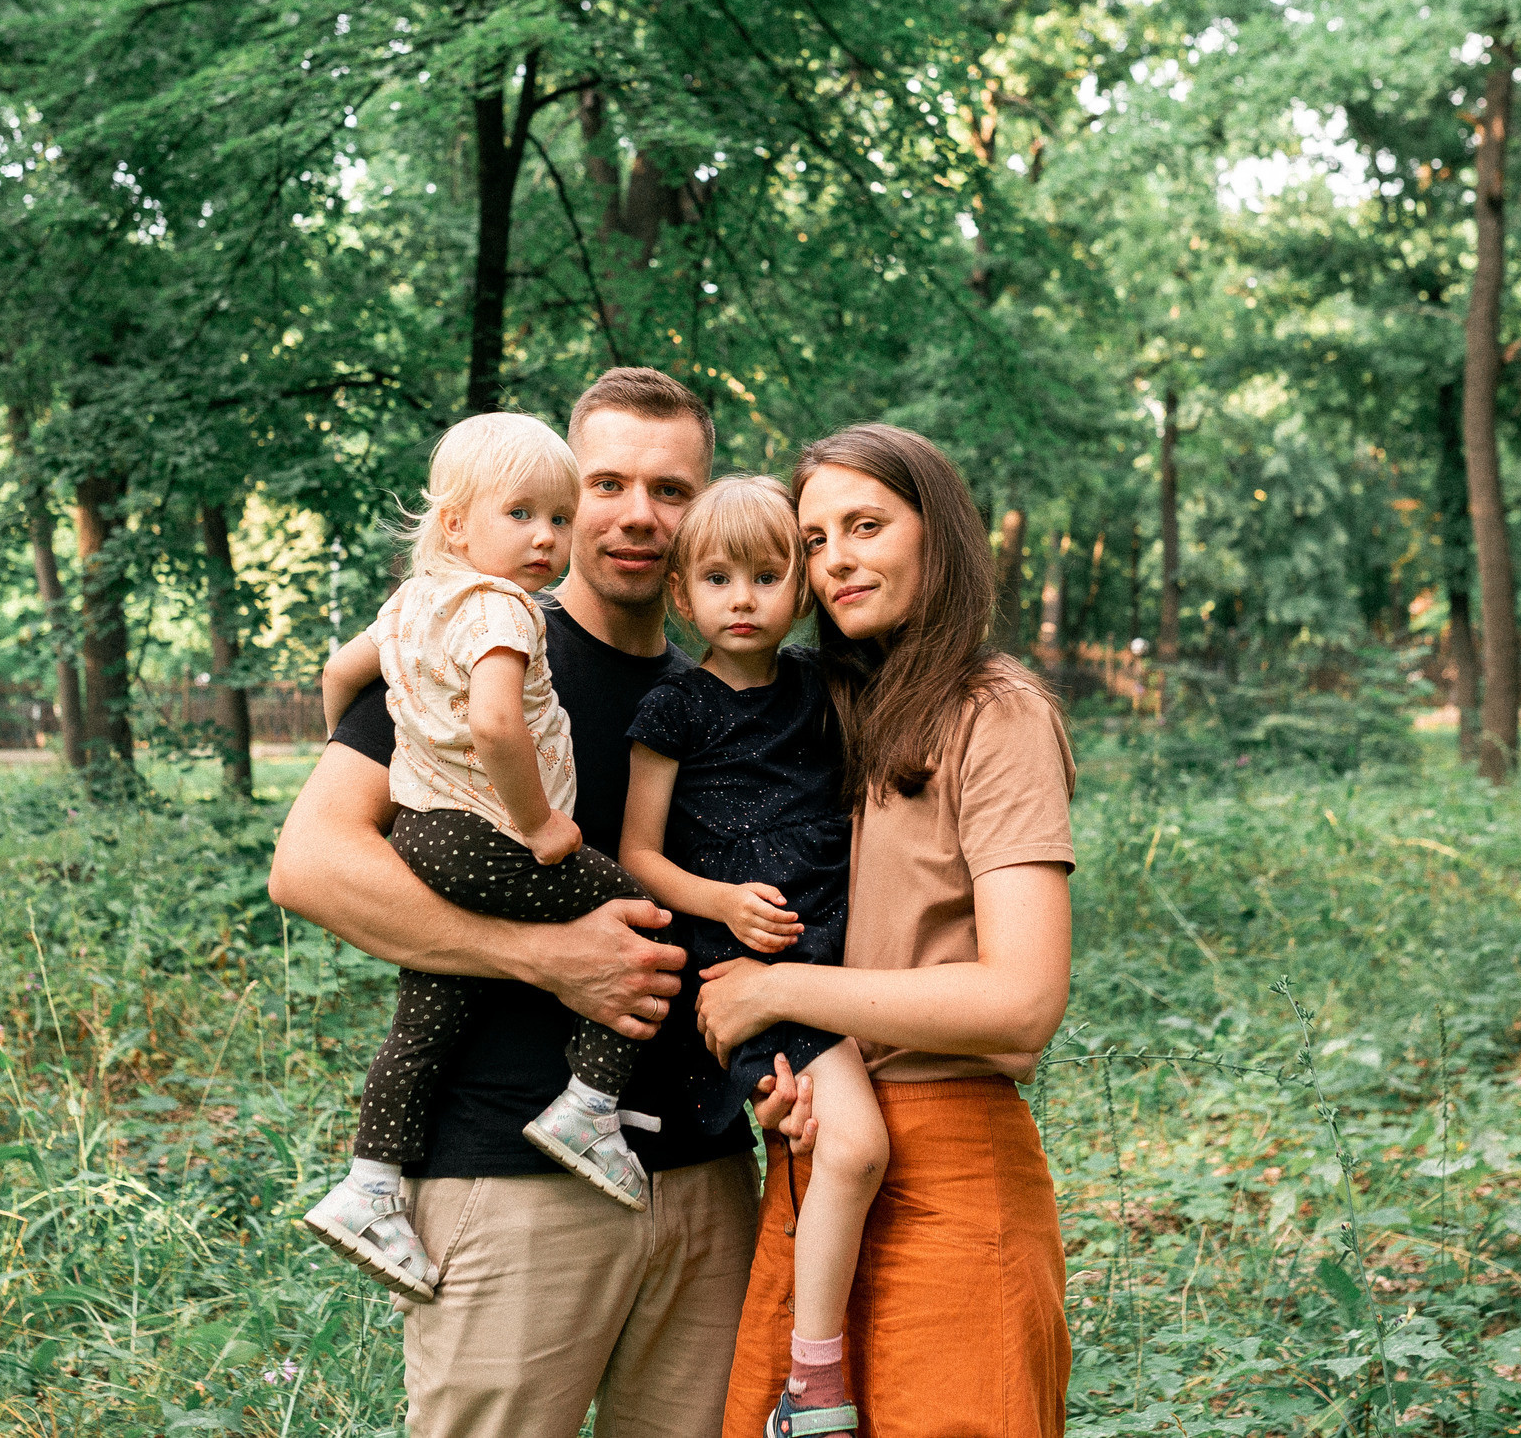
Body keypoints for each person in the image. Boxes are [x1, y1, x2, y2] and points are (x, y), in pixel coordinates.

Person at [268, 368, 758, 1438]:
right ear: (562, 492)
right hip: (511, 1182)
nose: (636, 514)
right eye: (607, 483)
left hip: (709, 1183)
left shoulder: (730, 688)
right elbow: (309, 864)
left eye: (670, 491)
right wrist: (541, 956)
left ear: (702, 506)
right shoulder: (483, 649)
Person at [696, 423, 1077, 1438]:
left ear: (937, 535)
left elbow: (1021, 999)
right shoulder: (823, 715)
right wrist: (799, 1069)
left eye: (865, 525)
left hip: (950, 1176)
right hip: (822, 1165)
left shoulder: (994, 712)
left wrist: (775, 994)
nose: (837, 561)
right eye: (814, 541)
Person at [302, 413, 660, 1304]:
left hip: (424, 831)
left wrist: (349, 726)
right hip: (489, 833)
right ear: (456, 524)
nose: (546, 536)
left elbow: (340, 671)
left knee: (431, 1001)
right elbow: (501, 723)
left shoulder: (414, 601)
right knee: (642, 910)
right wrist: (540, 824)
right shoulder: (504, 608)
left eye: (556, 515)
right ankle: (587, 1105)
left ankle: (370, 1183)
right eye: (523, 514)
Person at [620, 474, 884, 1438]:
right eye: (720, 578)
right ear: (683, 595)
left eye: (768, 576)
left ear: (801, 590)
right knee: (855, 1145)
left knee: (829, 1145)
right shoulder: (675, 707)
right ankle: (811, 1387)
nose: (745, 598)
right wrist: (722, 899)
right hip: (741, 968)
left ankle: (817, 1359)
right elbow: (639, 853)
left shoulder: (822, 686)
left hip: (835, 958)